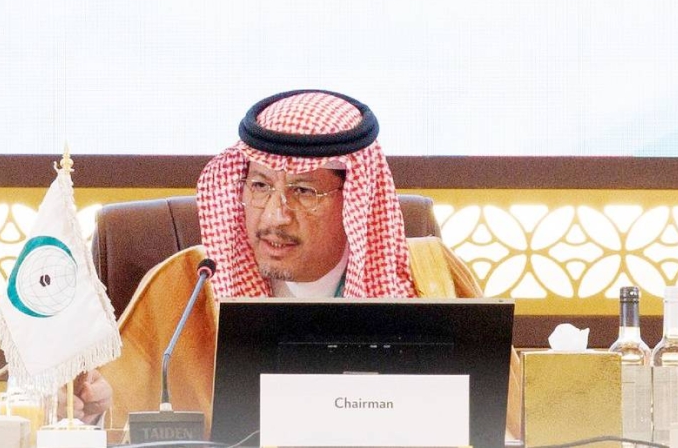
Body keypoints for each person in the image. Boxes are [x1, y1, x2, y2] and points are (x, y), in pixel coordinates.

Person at [73, 90, 522, 438]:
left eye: (304, 191)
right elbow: (115, 409)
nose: (274, 217)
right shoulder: (184, 286)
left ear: (356, 200)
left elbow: (514, 426)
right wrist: (91, 411)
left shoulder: (430, 278)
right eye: (259, 186)